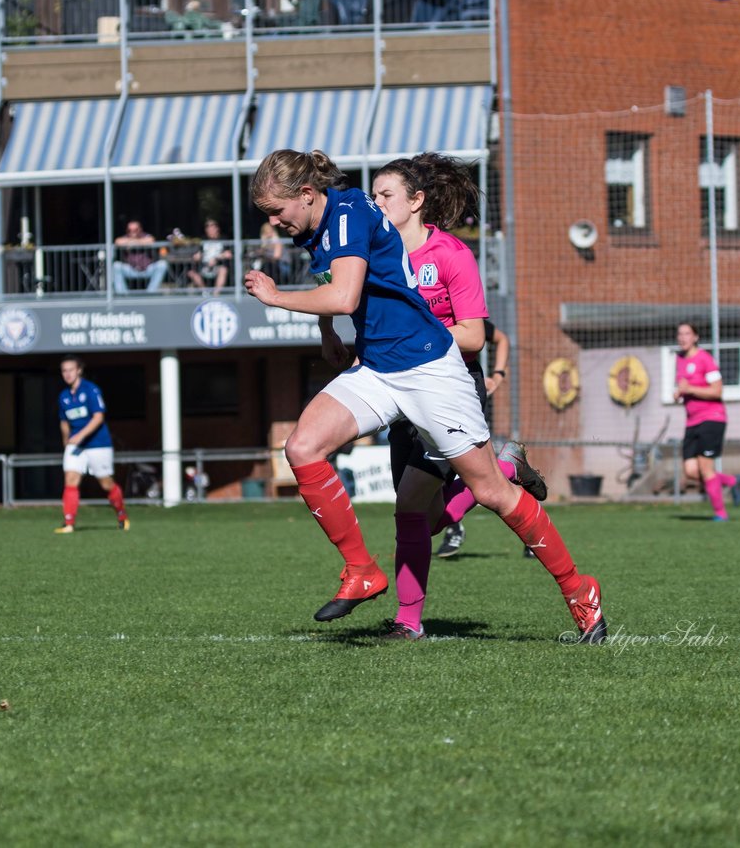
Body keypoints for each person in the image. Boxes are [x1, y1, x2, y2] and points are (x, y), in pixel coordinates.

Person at [243, 148, 606, 643]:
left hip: (429, 369)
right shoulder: (317, 223)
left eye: (275, 212)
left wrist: (275, 297)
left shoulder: (348, 213)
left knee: (490, 494)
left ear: (306, 194)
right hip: (377, 367)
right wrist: (328, 331)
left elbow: (346, 294)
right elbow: (334, 279)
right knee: (304, 448)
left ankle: (579, 589)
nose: (273, 223)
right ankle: (363, 572)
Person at [370, 153, 586, 641]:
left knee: (412, 509)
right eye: (374, 195)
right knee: (416, 520)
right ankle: (504, 465)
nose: (376, 204)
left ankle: (408, 623)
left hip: (451, 393)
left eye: (386, 195)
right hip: (401, 392)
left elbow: (473, 337)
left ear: (417, 201)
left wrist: (417, 335)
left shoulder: (450, 254)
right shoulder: (378, 256)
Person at [435, 318, 536, 559]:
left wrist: (498, 375)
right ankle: (454, 525)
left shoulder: (464, 320)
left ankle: (529, 533)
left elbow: (500, 338)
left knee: (480, 478)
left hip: (462, 398)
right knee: (427, 493)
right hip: (431, 398)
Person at [55, 355, 130, 533]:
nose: (67, 374)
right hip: (76, 446)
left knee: (105, 483)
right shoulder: (64, 396)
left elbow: (98, 418)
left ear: (79, 370)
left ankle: (121, 514)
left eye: (71, 370)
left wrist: (80, 436)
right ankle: (69, 523)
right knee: (71, 479)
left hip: (98, 444)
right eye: (64, 370)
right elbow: (64, 421)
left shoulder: (91, 390)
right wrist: (66, 441)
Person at [674, 321, 740, 521]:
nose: (683, 337)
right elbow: (684, 387)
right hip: (691, 421)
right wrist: (679, 394)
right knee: (691, 471)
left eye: (687, 333)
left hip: (712, 419)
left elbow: (717, 390)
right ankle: (731, 481)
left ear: (695, 337)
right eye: (680, 334)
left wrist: (690, 389)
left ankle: (720, 513)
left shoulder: (705, 359)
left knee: (705, 468)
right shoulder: (679, 359)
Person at [112, 220, 169, 293]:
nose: (133, 232)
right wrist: (137, 242)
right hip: (131, 269)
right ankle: (122, 294)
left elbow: (151, 240)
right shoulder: (125, 237)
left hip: (147, 269)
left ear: (140, 229)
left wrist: (132, 243)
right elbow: (118, 241)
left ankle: (151, 293)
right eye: (130, 230)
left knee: (162, 264)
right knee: (116, 266)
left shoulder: (146, 236)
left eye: (135, 230)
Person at [187, 218, 232, 294]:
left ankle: (216, 294)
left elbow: (228, 254)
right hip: (204, 267)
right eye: (207, 228)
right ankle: (205, 292)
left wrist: (216, 258)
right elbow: (198, 254)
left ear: (217, 229)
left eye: (212, 228)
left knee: (223, 270)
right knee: (191, 273)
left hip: (218, 267)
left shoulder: (224, 239)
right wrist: (197, 256)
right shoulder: (203, 240)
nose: (209, 230)